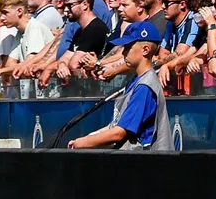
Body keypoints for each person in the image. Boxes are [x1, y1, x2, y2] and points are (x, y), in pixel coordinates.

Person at [67, 20, 171, 150]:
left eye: (128, 48)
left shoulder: (145, 86)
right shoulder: (137, 80)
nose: (123, 53)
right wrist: (88, 137)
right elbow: (115, 126)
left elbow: (119, 133)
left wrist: (84, 142)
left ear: (145, 50)